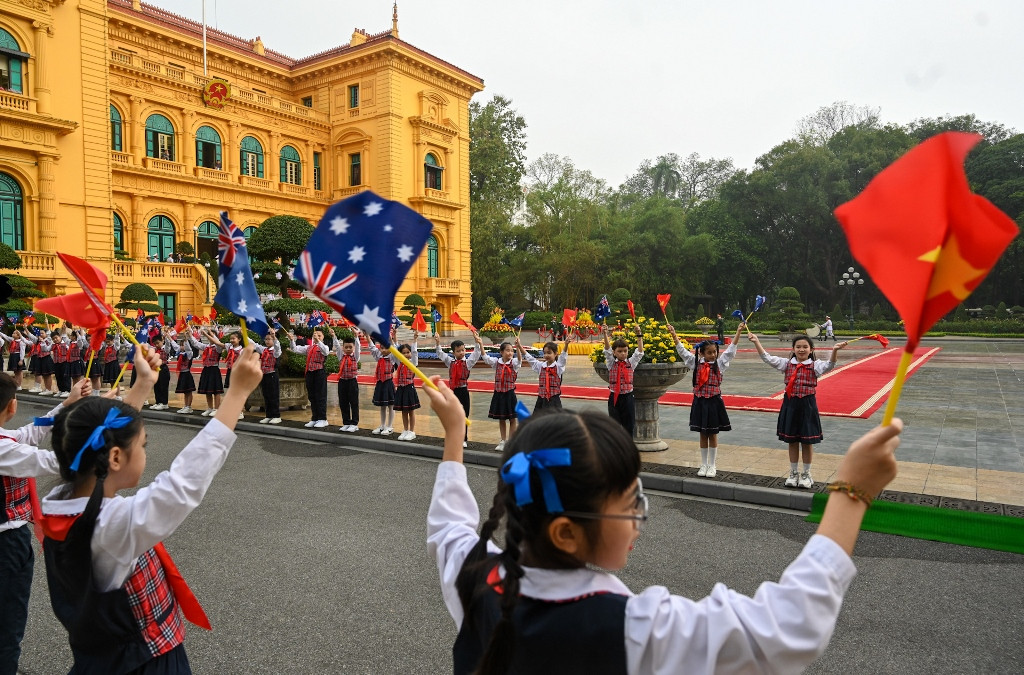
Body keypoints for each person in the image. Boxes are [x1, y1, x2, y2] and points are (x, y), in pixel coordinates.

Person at [423, 377, 902, 675]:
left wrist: (453, 433)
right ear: (566, 533)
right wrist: (851, 493)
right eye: (631, 503)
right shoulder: (634, 628)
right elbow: (787, 630)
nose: (639, 519)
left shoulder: (474, 576)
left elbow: (450, 527)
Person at [40, 345, 262, 674]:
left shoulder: (60, 502)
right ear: (114, 458)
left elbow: (104, 435)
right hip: (145, 662)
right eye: (143, 445)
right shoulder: (112, 525)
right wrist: (237, 394)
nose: (144, 451)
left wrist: (143, 383)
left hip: (100, 657)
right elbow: (183, 483)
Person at [0, 374, 90, 675]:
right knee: (6, 630)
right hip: (5, 548)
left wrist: (68, 403)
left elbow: (28, 433)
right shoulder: (4, 449)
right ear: (12, 405)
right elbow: (55, 461)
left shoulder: (5, 442)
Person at [747, 329, 849, 488]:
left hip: (807, 406)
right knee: (792, 440)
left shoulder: (816, 366)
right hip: (790, 405)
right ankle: (793, 473)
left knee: (807, 442)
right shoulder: (786, 364)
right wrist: (756, 342)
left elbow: (830, 365)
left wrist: (835, 350)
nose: (801, 350)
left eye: (805, 347)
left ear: (811, 349)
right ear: (793, 349)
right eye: (798, 347)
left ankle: (806, 474)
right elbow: (767, 358)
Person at [668, 323, 745, 477]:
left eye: (715, 352)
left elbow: (731, 351)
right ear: (702, 353)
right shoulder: (695, 363)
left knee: (713, 433)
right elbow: (682, 351)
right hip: (700, 401)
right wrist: (674, 334)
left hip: (714, 401)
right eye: (709, 353)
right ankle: (703, 465)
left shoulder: (720, 364)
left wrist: (738, 332)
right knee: (703, 433)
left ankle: (713, 465)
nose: (713, 355)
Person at [435, 330, 482, 448]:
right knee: (452, 415)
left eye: (463, 350)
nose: (461, 352)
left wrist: (477, 341)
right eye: (458, 351)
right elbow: (440, 354)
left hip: (463, 391)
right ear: (453, 352)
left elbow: (476, 354)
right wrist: (437, 343)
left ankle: (463, 438)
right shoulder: (450, 362)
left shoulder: (468, 362)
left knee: (463, 415)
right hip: (453, 392)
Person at [473, 335, 520, 451]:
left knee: (512, 419)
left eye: (511, 351)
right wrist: (481, 344)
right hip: (499, 394)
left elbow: (519, 359)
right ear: (501, 352)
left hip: (509, 394)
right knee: (501, 418)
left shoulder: (514, 363)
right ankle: (503, 441)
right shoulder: (496, 363)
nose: (510, 353)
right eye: (507, 350)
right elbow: (485, 357)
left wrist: (518, 347)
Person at [602, 324, 644, 438]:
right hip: (614, 397)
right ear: (614, 352)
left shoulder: (630, 363)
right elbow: (607, 350)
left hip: (628, 397)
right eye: (620, 351)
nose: (623, 353)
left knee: (629, 425)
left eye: (625, 351)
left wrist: (639, 334)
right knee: (614, 425)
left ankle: (628, 448)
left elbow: (640, 352)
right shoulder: (611, 364)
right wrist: (605, 333)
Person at [287, 328, 329, 428]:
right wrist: (291, 340)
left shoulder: (324, 346)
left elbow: (326, 352)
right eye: (315, 335)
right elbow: (295, 349)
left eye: (319, 336)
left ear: (323, 337)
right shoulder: (309, 347)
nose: (317, 337)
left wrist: (318, 341)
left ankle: (323, 418)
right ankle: (315, 418)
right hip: (310, 373)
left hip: (319, 372)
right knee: (312, 396)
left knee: (320, 396)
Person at [516, 336, 568, 413]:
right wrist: (519, 346)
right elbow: (529, 358)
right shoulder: (541, 366)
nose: (546, 355)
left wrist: (566, 344)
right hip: (541, 399)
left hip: (553, 400)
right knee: (539, 422)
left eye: (549, 353)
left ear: (556, 354)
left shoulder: (558, 367)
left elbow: (563, 357)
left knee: (553, 422)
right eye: (545, 353)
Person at [204, 330, 243, 420]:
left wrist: (208, 334)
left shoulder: (242, 350)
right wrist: (210, 334)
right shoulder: (229, 346)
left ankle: (240, 411)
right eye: (231, 339)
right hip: (230, 371)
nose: (232, 340)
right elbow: (217, 342)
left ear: (239, 339)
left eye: (234, 338)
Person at [368, 329, 397, 436]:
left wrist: (391, 339)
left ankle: (390, 426)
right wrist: (367, 336)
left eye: (386, 348)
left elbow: (394, 349)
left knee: (390, 405)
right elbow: (372, 347)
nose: (383, 350)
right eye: (382, 348)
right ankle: (382, 425)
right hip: (380, 383)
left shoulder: (392, 358)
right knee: (382, 406)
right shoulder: (379, 356)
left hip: (388, 383)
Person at [392, 333, 421, 441]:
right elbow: (395, 352)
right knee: (404, 410)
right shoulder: (399, 363)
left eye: (408, 352)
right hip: (401, 388)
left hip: (409, 388)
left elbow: (415, 352)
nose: (406, 355)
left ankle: (412, 431)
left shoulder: (412, 363)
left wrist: (414, 340)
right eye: (403, 353)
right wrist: (393, 339)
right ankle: (405, 429)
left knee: (411, 410)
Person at [333, 327, 361, 432]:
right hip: (342, 381)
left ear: (353, 347)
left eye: (350, 347)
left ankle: (354, 423)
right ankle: (346, 422)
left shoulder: (355, 356)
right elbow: (336, 346)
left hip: (352, 381)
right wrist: (334, 336)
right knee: (343, 402)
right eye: (346, 347)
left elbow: (358, 347)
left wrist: (356, 336)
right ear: (343, 348)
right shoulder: (341, 356)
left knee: (354, 402)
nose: (348, 349)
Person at [254, 329, 282, 425]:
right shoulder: (264, 350)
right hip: (264, 375)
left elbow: (278, 347)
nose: (267, 341)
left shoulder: (275, 351)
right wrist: (244, 334)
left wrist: (274, 337)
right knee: (266, 395)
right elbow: (255, 345)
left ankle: (276, 416)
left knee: (273, 396)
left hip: (272, 374)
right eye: (266, 339)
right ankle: (268, 415)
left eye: (269, 339)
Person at [196, 328, 224, 417]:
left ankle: (217, 408)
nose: (210, 338)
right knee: (207, 390)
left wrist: (211, 334)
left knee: (216, 391)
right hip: (206, 369)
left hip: (214, 369)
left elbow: (217, 341)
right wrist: (189, 335)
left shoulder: (218, 347)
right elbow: (196, 344)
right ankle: (210, 408)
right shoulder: (206, 347)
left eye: (212, 336)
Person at [173, 330, 198, 414]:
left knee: (189, 391)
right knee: (185, 391)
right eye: (181, 345)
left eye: (183, 345)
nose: (182, 347)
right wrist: (169, 337)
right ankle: (185, 405)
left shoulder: (189, 354)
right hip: (182, 374)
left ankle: (189, 406)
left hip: (187, 373)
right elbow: (174, 345)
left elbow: (188, 348)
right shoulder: (180, 354)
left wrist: (186, 338)